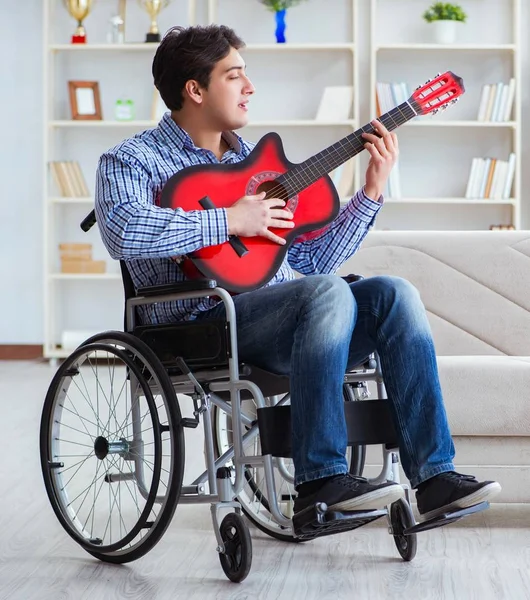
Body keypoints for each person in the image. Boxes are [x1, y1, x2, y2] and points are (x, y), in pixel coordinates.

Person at [95, 24, 501, 521]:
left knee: (394, 293)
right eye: (235, 75)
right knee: (326, 295)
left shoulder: (255, 167)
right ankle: (321, 481)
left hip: (294, 318)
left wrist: (370, 193)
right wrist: (229, 219)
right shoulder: (131, 160)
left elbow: (307, 267)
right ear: (194, 89)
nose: (250, 87)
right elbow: (121, 231)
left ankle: (434, 477)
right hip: (202, 324)